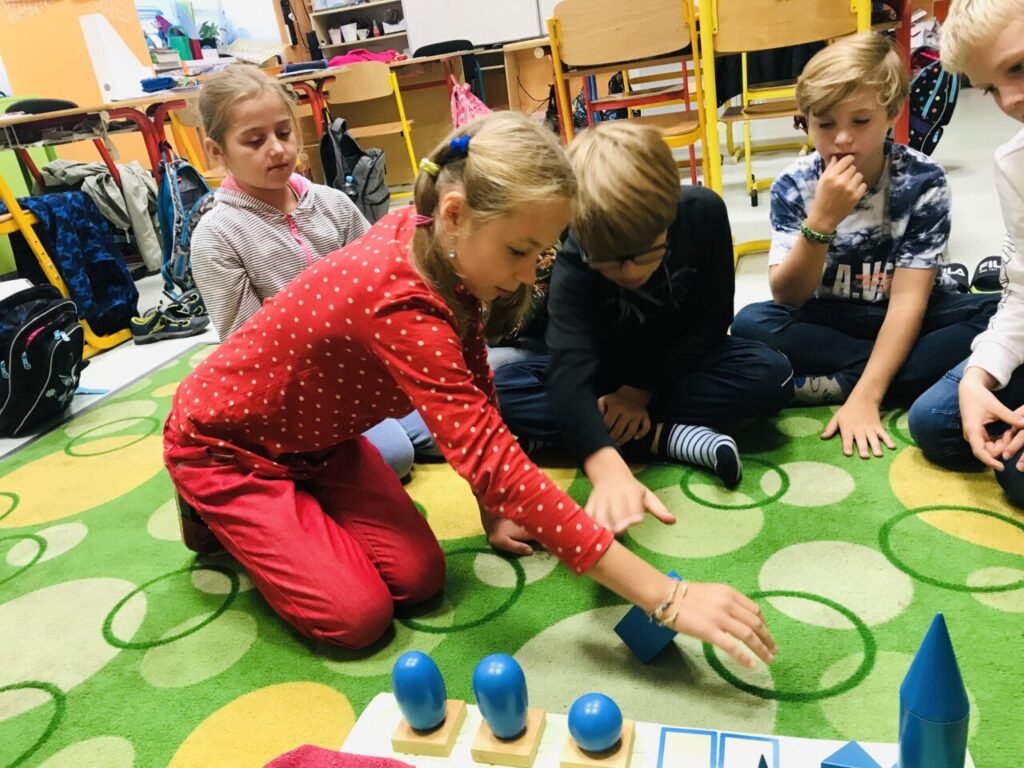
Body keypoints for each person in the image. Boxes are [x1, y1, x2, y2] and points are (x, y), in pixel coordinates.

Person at [163, 111, 777, 665]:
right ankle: (214, 513)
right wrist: (666, 596)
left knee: (420, 579)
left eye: (541, 254)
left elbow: (478, 380)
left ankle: (292, 515)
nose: (528, 275)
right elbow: (494, 460)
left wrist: (491, 509)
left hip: (321, 443)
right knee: (359, 619)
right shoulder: (400, 298)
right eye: (519, 251)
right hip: (226, 446)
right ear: (456, 214)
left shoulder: (430, 233)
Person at [731, 33, 998, 459]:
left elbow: (908, 303)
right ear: (805, 121)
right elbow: (788, 296)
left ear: (892, 113)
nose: (842, 139)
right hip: (832, 319)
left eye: (860, 121)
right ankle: (891, 375)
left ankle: (848, 383)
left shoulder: (923, 180)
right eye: (825, 124)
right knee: (751, 322)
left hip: (911, 315)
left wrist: (866, 397)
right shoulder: (793, 185)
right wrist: (821, 222)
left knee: (995, 315)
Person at [544, 122, 794, 534]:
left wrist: (637, 393)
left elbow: (712, 323)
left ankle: (624, 427)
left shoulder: (703, 212)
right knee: (504, 387)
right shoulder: (578, 245)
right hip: (604, 374)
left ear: (668, 214)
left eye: (643, 255)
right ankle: (666, 437)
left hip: (677, 366)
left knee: (773, 376)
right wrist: (605, 460)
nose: (627, 273)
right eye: (608, 261)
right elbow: (567, 366)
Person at [189, 64, 432, 479]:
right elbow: (247, 349)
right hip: (299, 389)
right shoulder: (216, 235)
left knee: (459, 410)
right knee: (396, 455)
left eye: (284, 133)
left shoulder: (333, 203)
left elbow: (382, 283)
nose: (277, 150)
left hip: (366, 366)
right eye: (254, 141)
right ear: (216, 152)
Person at [907, 0, 1024, 504]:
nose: (1010, 100)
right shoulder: (1013, 162)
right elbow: (1021, 293)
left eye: (1018, 67)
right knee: (936, 420)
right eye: (990, 88)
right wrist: (977, 377)